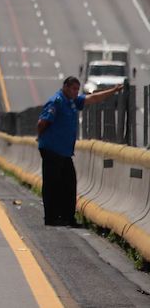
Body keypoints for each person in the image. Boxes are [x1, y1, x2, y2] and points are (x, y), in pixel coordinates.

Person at [37, 76, 123, 227]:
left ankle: (67, 217)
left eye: (78, 89)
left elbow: (93, 99)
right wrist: (41, 138)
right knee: (52, 184)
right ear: (65, 87)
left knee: (69, 183)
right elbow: (42, 122)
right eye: (74, 89)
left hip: (64, 152)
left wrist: (113, 91)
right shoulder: (57, 101)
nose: (76, 92)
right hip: (52, 149)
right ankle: (51, 218)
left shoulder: (72, 101)